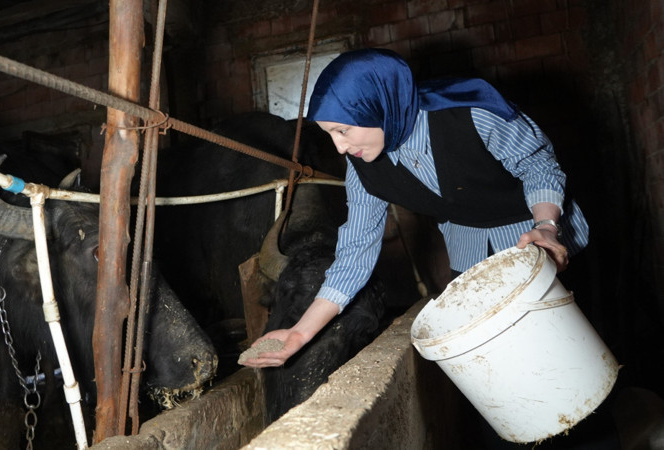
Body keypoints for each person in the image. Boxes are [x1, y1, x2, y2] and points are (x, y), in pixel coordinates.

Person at [241, 48, 588, 369]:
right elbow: (356, 250)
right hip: (470, 255)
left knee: (572, 358)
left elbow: (538, 166)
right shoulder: (363, 167)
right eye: (330, 134)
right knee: (495, 364)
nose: (340, 148)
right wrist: (301, 332)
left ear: (377, 105)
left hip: (541, 241)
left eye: (343, 131)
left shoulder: (472, 113)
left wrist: (546, 225)